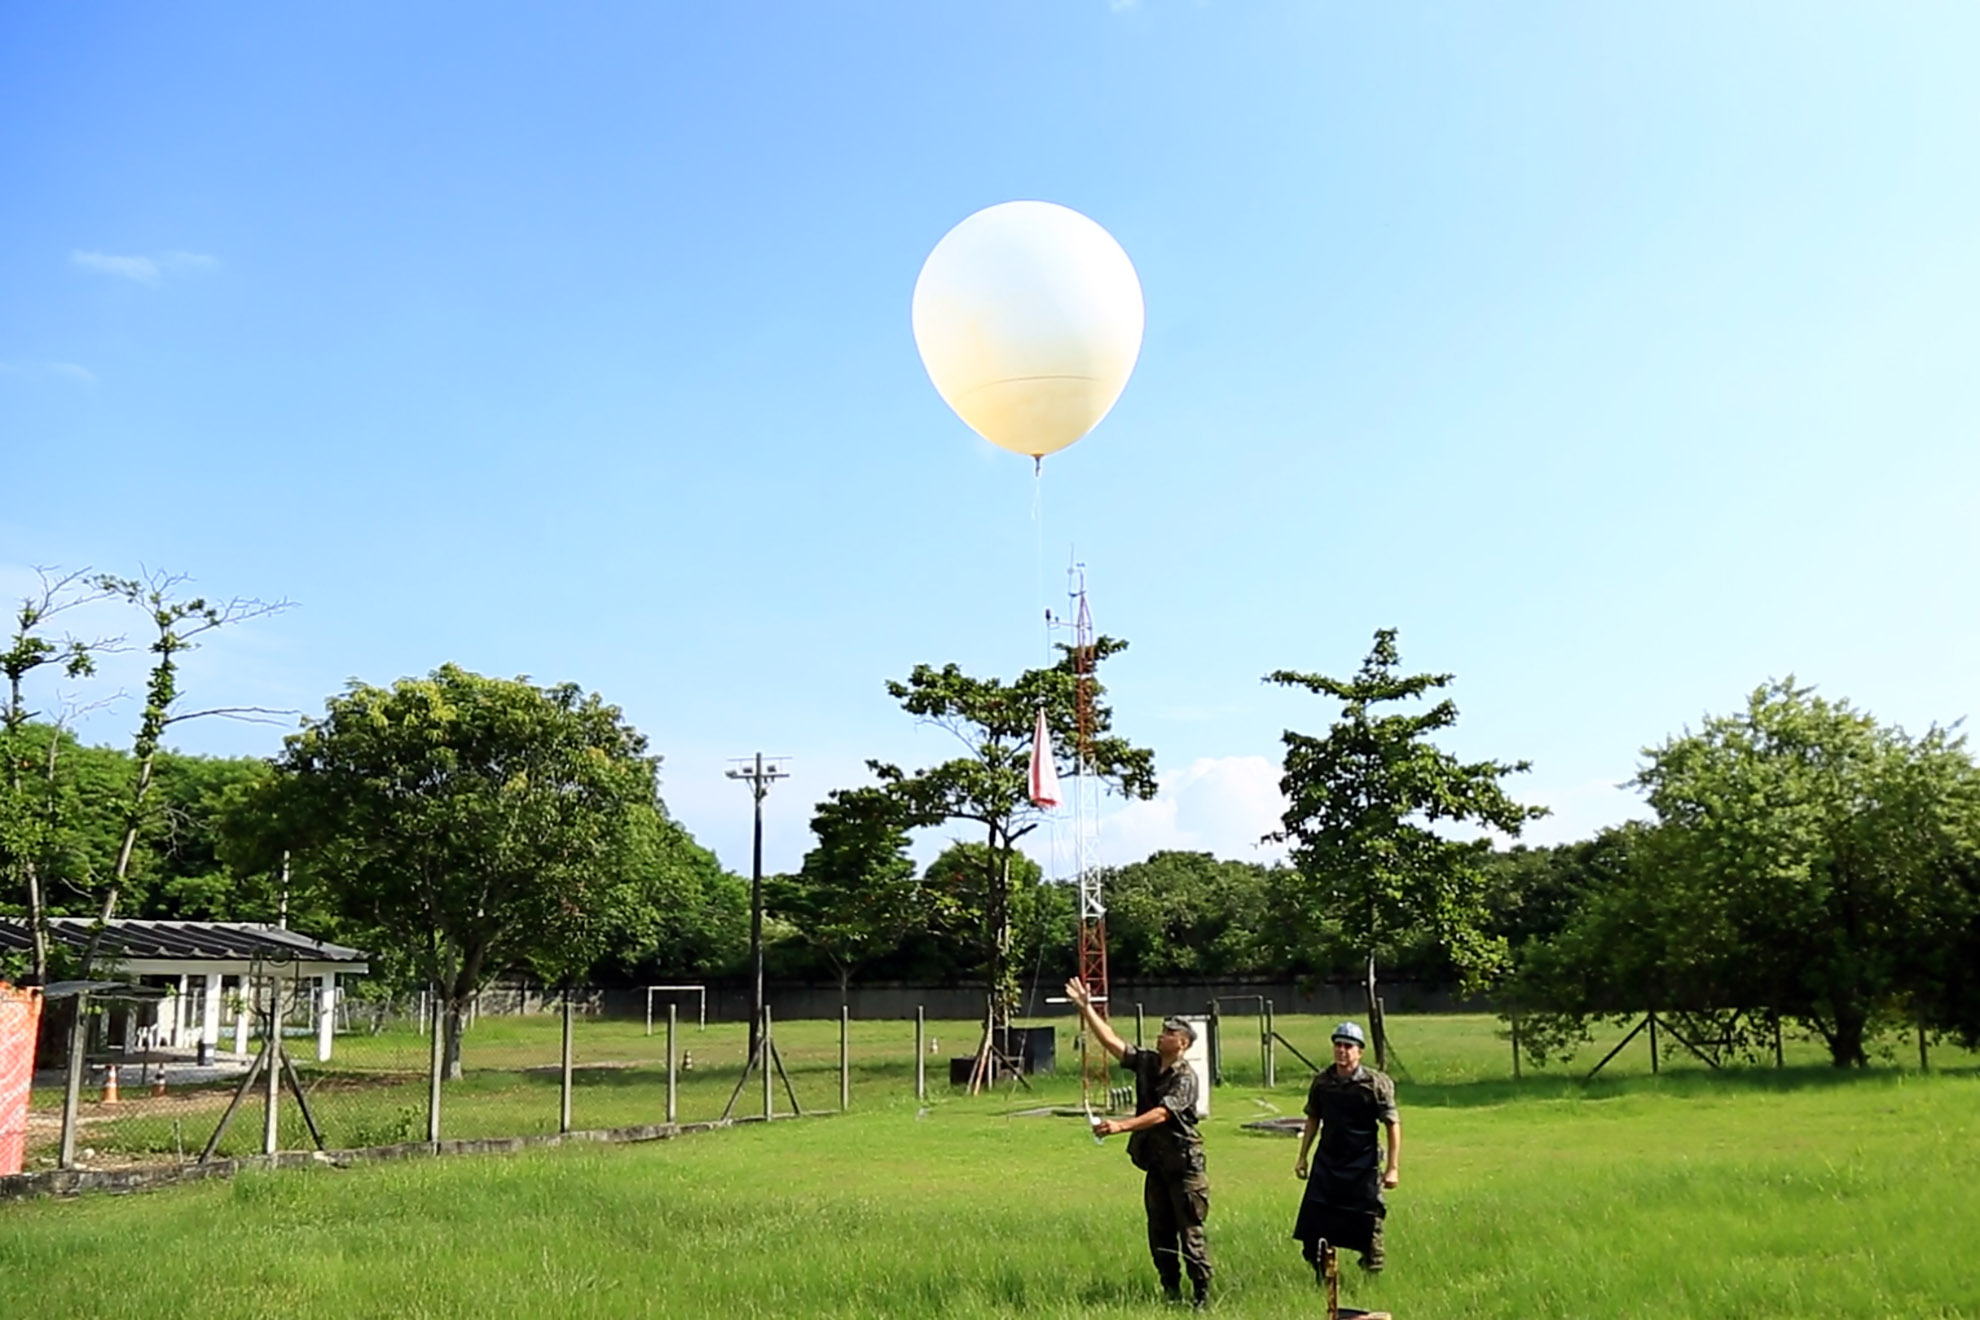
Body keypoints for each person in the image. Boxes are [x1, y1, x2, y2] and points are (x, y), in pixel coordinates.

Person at [1064, 977, 1212, 1308]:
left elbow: (1162, 1114)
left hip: (1185, 1167)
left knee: (1191, 1235)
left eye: (1169, 1033)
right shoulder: (1147, 1062)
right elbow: (1112, 1043)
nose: (1161, 1035)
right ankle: (1170, 1293)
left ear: (1183, 1044)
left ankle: (1202, 1298)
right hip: (1157, 1165)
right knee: (1159, 1234)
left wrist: (1121, 1126)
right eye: (1162, 1030)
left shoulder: (1186, 1077)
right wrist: (1086, 1009)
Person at [1292, 1021, 1401, 1280]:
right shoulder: (1323, 1082)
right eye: (1338, 1045)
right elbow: (1312, 1119)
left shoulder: (1375, 1084)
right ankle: (1326, 1277)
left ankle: (1371, 1279)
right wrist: (1302, 1156)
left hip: (1364, 1163)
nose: (1342, 1051)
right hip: (1328, 1161)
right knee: (1314, 1225)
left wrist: (1393, 1168)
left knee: (1369, 1222)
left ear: (1359, 1051)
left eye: (1348, 1046)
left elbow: (1392, 1123)